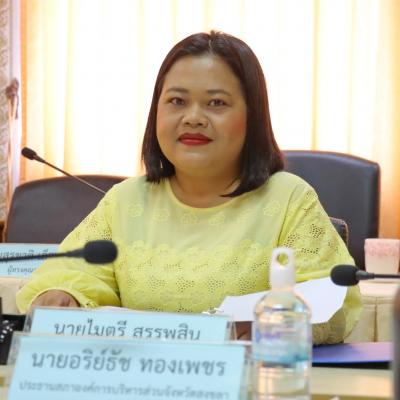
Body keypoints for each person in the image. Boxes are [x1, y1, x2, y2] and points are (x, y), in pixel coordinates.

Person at [16, 31, 361, 344]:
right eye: (177, 101)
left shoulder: (288, 198)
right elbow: (72, 274)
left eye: (216, 103)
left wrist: (272, 326)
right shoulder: (126, 200)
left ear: (252, 116)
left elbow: (334, 301)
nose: (193, 117)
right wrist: (62, 296)